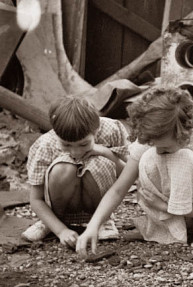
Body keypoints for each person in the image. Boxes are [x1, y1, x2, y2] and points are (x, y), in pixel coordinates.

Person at [76, 86, 193, 255]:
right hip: (176, 206)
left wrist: (165, 207)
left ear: (182, 134)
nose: (158, 151)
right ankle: (170, 225)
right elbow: (119, 189)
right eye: (154, 145)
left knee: (183, 157)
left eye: (164, 147)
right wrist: (93, 225)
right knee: (147, 158)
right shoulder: (155, 137)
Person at [23, 95, 129, 247]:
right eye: (66, 145)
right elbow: (36, 199)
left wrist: (105, 152)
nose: (75, 152)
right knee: (63, 167)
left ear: (96, 130)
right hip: (60, 206)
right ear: (55, 133)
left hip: (99, 203)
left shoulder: (112, 130)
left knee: (98, 162)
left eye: (84, 144)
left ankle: (103, 220)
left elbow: (129, 174)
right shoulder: (46, 145)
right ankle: (52, 222)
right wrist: (61, 231)